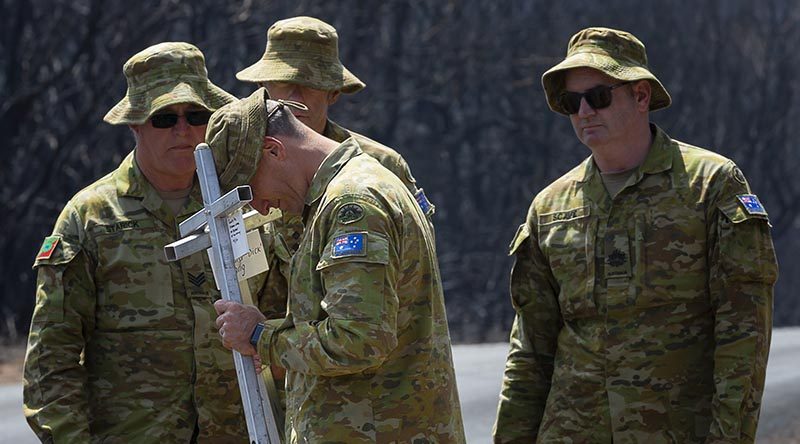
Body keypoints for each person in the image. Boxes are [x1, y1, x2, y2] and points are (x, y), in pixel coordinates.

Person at [493, 27, 778, 443]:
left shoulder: (709, 184)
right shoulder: (550, 207)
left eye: (599, 96)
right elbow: (530, 352)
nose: (585, 111)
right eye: (572, 102)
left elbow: (743, 335)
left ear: (641, 96)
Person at [23, 42, 268, 442]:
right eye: (164, 117)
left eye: (195, 115)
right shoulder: (90, 218)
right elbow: (51, 360)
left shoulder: (240, 205)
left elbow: (279, 313)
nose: (182, 130)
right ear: (136, 124)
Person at [206, 88, 465, 443]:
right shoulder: (347, 191)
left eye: (251, 188)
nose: (262, 208)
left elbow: (357, 340)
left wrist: (259, 336)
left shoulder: (352, 205)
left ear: (273, 150)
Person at [236, 15, 434, 216]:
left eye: (310, 84)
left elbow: (414, 242)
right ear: (262, 87)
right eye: (282, 82)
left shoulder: (382, 164)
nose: (294, 97)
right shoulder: (240, 167)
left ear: (333, 93)